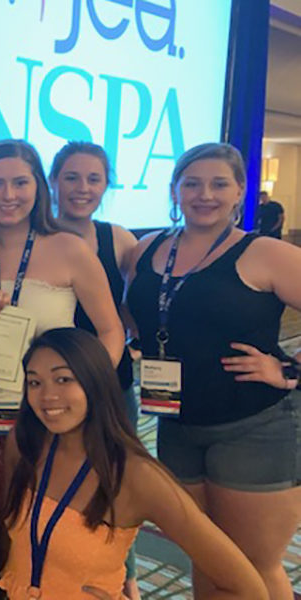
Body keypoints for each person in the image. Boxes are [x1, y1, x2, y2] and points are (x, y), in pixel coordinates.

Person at [126, 142, 301, 599]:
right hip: (176, 427)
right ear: (175, 190)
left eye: (219, 184)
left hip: (254, 428)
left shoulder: (264, 252)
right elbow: (138, 318)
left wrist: (289, 370)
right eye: (193, 183)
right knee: (207, 557)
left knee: (254, 566)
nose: (205, 194)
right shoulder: (148, 249)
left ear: (240, 191)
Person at [0, 328, 267, 599]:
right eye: (35, 383)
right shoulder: (24, 445)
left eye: (63, 379)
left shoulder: (135, 475)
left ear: (95, 382)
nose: (47, 396)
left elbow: (248, 589)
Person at [0, 139, 123, 591]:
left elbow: (111, 332)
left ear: (39, 187)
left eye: (20, 182)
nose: (8, 194)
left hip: (55, 418)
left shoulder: (69, 248)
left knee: (55, 531)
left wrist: (84, 394)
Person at [48, 141, 139, 597]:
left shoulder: (118, 240)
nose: (82, 188)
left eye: (93, 179)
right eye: (71, 177)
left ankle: (126, 581)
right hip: (50, 394)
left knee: (115, 484)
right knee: (56, 486)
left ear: (106, 185)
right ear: (53, 181)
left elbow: (145, 307)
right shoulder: (31, 236)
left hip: (109, 389)